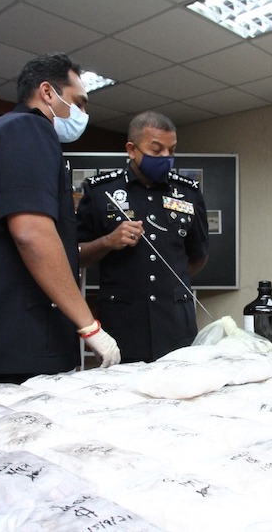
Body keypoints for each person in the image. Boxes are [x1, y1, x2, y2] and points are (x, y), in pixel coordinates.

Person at [0, 53, 120, 388]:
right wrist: (89, 326)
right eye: (78, 102)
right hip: (14, 338)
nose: (83, 114)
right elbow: (31, 233)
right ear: (48, 93)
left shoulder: (1, 130)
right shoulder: (28, 131)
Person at [77, 110, 209, 363]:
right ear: (132, 149)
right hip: (123, 321)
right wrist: (108, 241)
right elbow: (76, 255)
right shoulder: (101, 192)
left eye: (171, 150)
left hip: (175, 321)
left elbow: (199, 255)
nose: (166, 157)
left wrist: (166, 282)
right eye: (156, 150)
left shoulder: (188, 193)